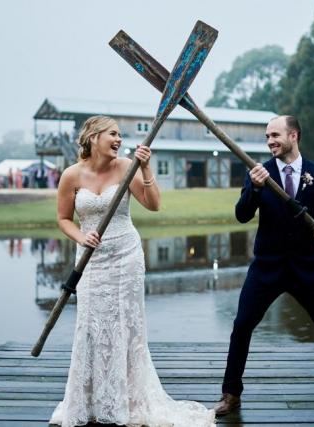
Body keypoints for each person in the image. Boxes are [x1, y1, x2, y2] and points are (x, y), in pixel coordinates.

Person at [49, 115, 215, 427]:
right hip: (90, 261)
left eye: (120, 135)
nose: (119, 139)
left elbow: (153, 205)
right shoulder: (71, 175)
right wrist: (81, 236)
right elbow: (63, 219)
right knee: (90, 326)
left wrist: (147, 168)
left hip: (126, 257)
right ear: (94, 137)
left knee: (126, 326)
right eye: (112, 134)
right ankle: (90, 399)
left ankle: (126, 399)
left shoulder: (127, 166)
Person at [212, 115, 314, 417]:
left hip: (306, 267)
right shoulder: (259, 171)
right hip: (266, 267)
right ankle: (231, 394)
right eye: (267, 136)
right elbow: (242, 215)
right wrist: (256, 189)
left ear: (294, 135)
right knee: (241, 326)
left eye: (275, 135)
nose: (270, 141)